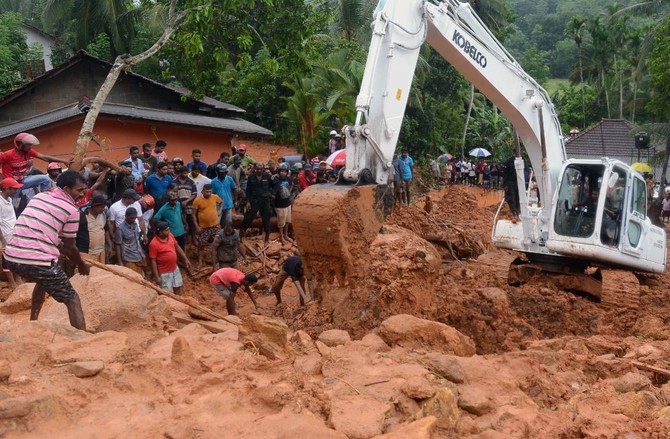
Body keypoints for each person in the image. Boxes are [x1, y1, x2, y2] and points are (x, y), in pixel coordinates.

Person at [3, 171, 90, 330]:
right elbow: (70, 248)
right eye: (79, 190)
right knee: (73, 299)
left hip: (11, 257)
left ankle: (33, 321)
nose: (82, 194)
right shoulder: (72, 210)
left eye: (84, 190)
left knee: (42, 280)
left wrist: (58, 245)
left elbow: (41, 229)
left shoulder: (39, 197)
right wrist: (81, 264)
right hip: (37, 260)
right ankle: (82, 341)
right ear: (66, 189)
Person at [0, 133, 67, 199]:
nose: (30, 147)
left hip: (23, 181)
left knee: (45, 179)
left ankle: (45, 200)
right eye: (28, 145)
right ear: (19, 145)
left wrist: (64, 160)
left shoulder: (29, 152)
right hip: (11, 186)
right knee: (10, 206)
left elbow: (44, 157)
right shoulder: (7, 155)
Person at [149, 221, 192, 294]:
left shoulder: (170, 236)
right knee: (167, 293)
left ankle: (179, 301)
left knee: (177, 286)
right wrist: (157, 277)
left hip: (175, 268)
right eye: (166, 230)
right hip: (164, 272)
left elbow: (177, 247)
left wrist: (186, 259)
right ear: (160, 232)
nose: (169, 231)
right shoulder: (153, 244)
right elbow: (153, 260)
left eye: (168, 229)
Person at [240, 162, 274, 244]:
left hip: (264, 201)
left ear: (263, 169)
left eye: (261, 169)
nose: (259, 170)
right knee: (248, 217)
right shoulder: (251, 177)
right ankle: (240, 235)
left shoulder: (268, 176)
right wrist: (247, 201)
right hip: (254, 201)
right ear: (255, 169)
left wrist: (272, 193)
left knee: (266, 219)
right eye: (257, 169)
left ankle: (266, 238)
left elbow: (275, 184)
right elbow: (248, 190)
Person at [191, 183, 222, 267]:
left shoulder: (215, 197)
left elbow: (221, 202)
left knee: (219, 243)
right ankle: (200, 262)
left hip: (215, 226)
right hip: (204, 228)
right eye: (207, 192)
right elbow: (193, 214)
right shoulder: (197, 200)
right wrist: (197, 226)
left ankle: (217, 260)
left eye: (210, 192)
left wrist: (220, 211)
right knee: (201, 245)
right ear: (202, 191)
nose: (208, 193)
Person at [0, 177, 22, 288]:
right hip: (5, 235)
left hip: (13, 233)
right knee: (6, 258)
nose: (16, 191)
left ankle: (17, 278)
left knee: (17, 256)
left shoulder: (8, 199)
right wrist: (3, 240)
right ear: (7, 189)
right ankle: (12, 282)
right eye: (14, 189)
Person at [75, 195, 110, 264]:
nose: (103, 209)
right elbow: (74, 234)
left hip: (100, 251)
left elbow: (106, 231)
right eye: (101, 207)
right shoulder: (82, 216)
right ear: (94, 206)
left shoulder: (103, 215)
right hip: (86, 252)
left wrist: (110, 245)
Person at [114, 207, 146, 275]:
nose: (133, 219)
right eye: (131, 218)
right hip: (128, 259)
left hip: (138, 256)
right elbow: (118, 246)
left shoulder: (135, 224)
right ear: (126, 216)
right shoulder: (120, 229)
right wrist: (120, 262)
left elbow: (137, 241)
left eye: (135, 218)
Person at [273, 163, 293, 243]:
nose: (283, 173)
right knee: (281, 222)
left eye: (285, 171)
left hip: (287, 202)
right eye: (281, 171)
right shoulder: (275, 179)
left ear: (287, 172)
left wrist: (288, 193)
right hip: (279, 204)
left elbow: (291, 185)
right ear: (279, 171)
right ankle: (281, 237)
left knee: (288, 220)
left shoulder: (288, 179)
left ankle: (286, 235)